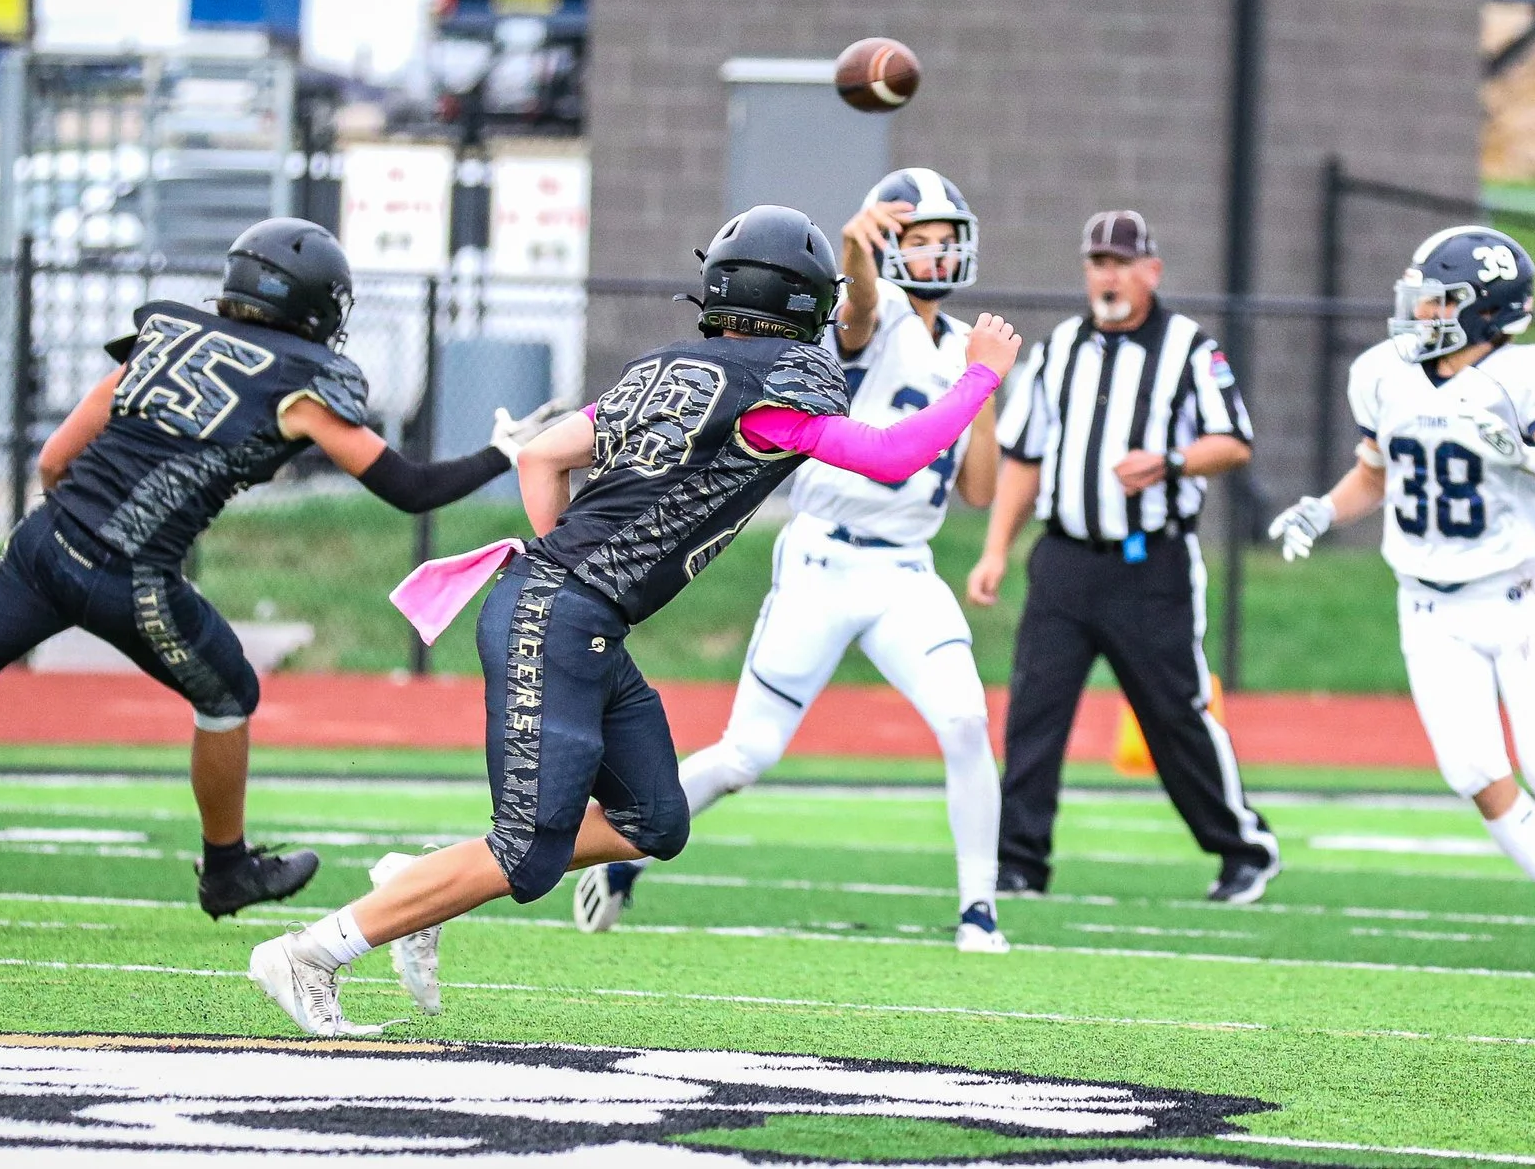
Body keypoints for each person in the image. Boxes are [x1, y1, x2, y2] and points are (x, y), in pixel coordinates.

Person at [248, 205, 1021, 1036]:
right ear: (801, 302)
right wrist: (979, 377)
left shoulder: (668, 369)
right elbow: (896, 457)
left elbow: (543, 455)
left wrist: (572, 572)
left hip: (571, 610)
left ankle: (422, 885)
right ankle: (311, 952)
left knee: (655, 820)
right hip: (561, 611)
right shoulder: (772, 400)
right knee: (526, 853)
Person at [0, 218, 521, 918]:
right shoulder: (301, 384)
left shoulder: (165, 335)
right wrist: (505, 452)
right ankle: (227, 868)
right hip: (130, 570)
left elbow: (57, 457)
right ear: (314, 304)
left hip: (44, 541)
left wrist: (73, 531)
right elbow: (408, 486)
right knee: (229, 692)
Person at [574, 170, 1012, 953]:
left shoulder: (970, 346)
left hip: (906, 571)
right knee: (748, 754)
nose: (939, 253)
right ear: (890, 245)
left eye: (948, 240)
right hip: (823, 559)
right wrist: (855, 245)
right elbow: (861, 307)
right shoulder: (878, 315)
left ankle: (980, 909)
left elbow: (979, 490)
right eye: (921, 239)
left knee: (967, 721)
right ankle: (626, 854)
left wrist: (983, 389)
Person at [1269, 226, 1535, 978]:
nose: (1421, 310)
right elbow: (1374, 473)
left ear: (1485, 309)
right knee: (1475, 772)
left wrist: (1522, 453)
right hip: (1427, 605)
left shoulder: (1528, 374)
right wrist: (1322, 510)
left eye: (1440, 299)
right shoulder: (1384, 373)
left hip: (1513, 597)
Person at [969, 209, 1278, 905]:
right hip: (1064, 559)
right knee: (1034, 713)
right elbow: (1023, 457)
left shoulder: (1190, 349)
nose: (1107, 276)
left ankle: (1244, 848)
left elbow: (1234, 441)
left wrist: (1170, 461)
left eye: (1120, 263)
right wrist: (995, 551)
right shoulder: (1057, 349)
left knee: (1174, 714)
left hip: (1150, 564)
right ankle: (1020, 862)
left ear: (1151, 271)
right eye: (1097, 263)